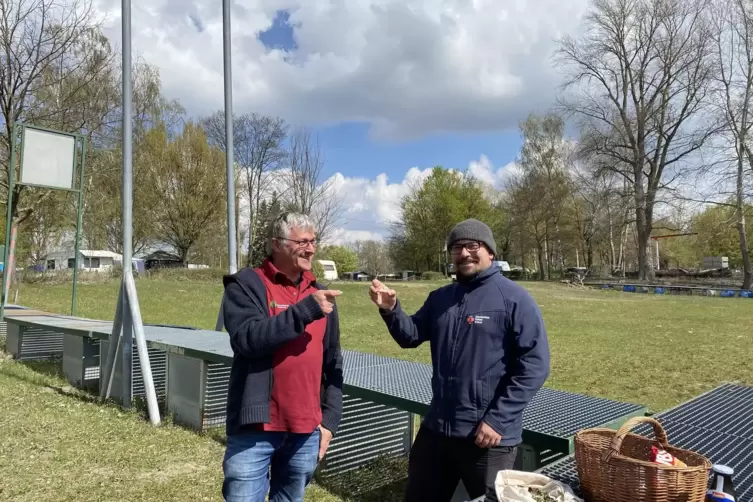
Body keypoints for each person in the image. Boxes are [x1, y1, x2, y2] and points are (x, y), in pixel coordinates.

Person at [369, 218, 550, 502]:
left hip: (488, 437)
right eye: (456, 247)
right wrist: (391, 310)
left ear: (490, 251)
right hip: (438, 429)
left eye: (472, 245)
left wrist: (498, 420)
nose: (464, 253)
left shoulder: (515, 300)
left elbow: (535, 364)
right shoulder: (441, 298)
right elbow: (411, 335)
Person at [221, 211, 344, 502]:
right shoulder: (246, 284)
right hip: (255, 429)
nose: (311, 249)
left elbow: (333, 360)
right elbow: (248, 339)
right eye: (302, 242)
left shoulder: (320, 293)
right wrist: (305, 311)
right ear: (277, 244)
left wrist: (329, 421)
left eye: (313, 241)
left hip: (306, 430)